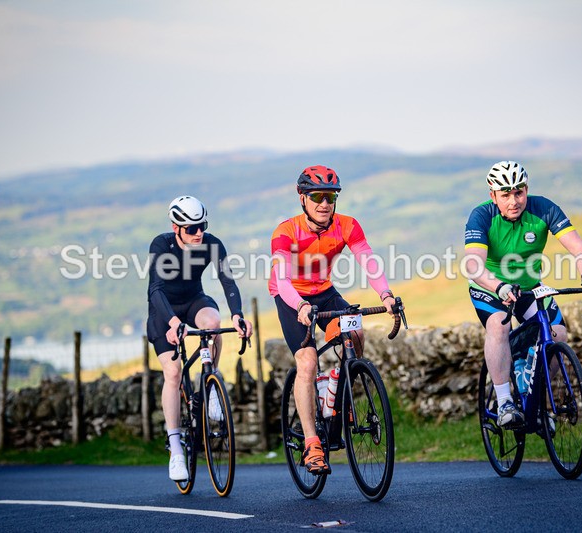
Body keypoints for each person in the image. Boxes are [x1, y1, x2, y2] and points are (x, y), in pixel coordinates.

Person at [269, 165, 398, 475]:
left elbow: (368, 261)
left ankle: (341, 391)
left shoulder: (347, 226)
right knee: (308, 362)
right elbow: (282, 279)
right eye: (318, 197)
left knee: (354, 333)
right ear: (302, 198)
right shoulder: (285, 232)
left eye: (331, 197)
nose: (325, 203)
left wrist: (387, 296)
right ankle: (313, 443)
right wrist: (300, 305)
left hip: (325, 293)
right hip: (291, 298)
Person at [463, 161, 582, 427]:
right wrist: (499, 286)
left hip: (528, 286)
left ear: (526, 190)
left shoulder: (544, 208)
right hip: (490, 286)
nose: (513, 201)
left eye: (519, 193)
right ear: (493, 195)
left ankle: (536, 400)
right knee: (498, 327)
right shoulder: (481, 216)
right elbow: (473, 265)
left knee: (557, 333)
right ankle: (504, 401)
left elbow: (578, 247)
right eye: (505, 195)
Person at [147, 195, 253, 481]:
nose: (198, 233)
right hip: (163, 310)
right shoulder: (162, 244)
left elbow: (227, 280)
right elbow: (155, 289)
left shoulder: (211, 243)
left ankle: (210, 385)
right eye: (191, 228)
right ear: (175, 227)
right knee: (173, 371)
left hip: (194, 300)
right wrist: (172, 322)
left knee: (214, 325)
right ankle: (176, 449)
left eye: (202, 226)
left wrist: (238, 314)